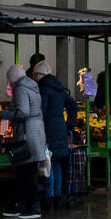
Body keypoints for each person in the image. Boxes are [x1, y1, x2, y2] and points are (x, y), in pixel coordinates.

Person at [4, 64, 46, 219]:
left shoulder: (21, 89)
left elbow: (23, 112)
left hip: (27, 134)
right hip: (36, 132)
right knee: (26, 172)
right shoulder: (32, 86)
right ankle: (22, 205)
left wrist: (7, 114)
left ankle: (33, 207)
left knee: (26, 173)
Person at [31, 60, 75, 209]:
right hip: (60, 128)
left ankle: (49, 197)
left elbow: (41, 111)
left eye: (35, 74)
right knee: (56, 163)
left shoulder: (44, 89)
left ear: (39, 74)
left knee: (47, 163)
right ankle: (57, 195)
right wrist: (69, 125)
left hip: (48, 129)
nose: (34, 77)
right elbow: (73, 106)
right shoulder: (59, 88)